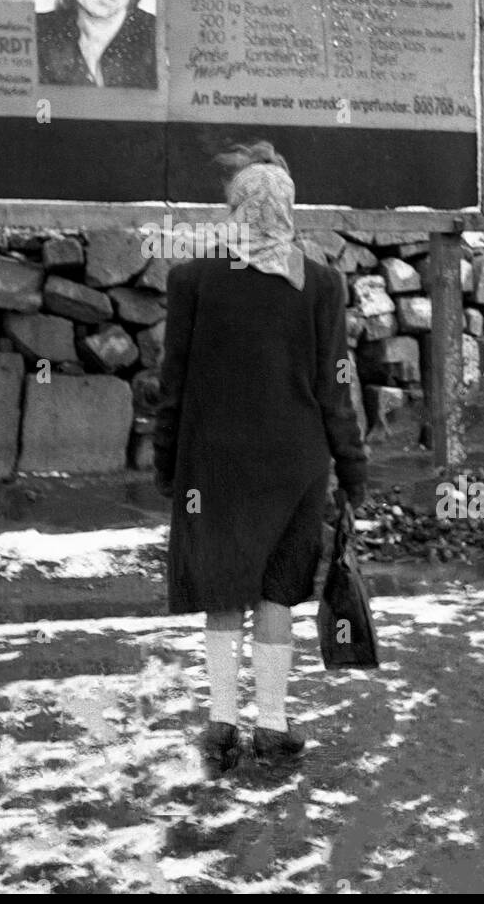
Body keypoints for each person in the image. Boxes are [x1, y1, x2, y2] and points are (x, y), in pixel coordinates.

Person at [153, 142, 368, 768]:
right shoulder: (321, 284)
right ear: (287, 206)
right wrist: (352, 470)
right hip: (294, 466)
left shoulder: (192, 280)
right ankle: (271, 726)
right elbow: (336, 383)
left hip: (212, 466)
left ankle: (221, 725)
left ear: (235, 208)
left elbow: (175, 383)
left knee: (223, 592)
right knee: (279, 594)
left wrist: (167, 465)